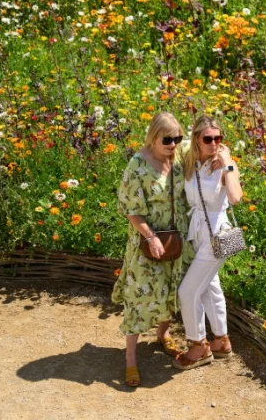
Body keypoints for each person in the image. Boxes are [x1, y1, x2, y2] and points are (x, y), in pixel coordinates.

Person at [111, 112, 192, 387]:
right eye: (167, 140)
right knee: (139, 294)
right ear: (153, 136)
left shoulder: (178, 157)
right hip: (149, 241)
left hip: (177, 239)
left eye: (178, 139)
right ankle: (130, 358)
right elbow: (130, 210)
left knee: (172, 287)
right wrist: (150, 237)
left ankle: (163, 334)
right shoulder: (137, 164)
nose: (173, 144)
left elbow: (212, 144)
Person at [173, 115, 243, 370]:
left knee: (188, 290)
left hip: (217, 234)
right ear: (197, 140)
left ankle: (198, 345)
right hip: (198, 231)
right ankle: (222, 341)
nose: (214, 143)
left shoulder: (224, 165)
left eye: (218, 138)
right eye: (208, 139)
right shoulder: (192, 163)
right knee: (209, 287)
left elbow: (235, 197)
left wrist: (228, 164)